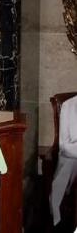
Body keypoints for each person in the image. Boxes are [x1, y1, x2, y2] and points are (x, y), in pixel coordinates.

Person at [50, 95, 77, 227]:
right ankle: (57, 215)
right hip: (70, 155)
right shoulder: (68, 106)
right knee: (69, 161)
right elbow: (64, 146)